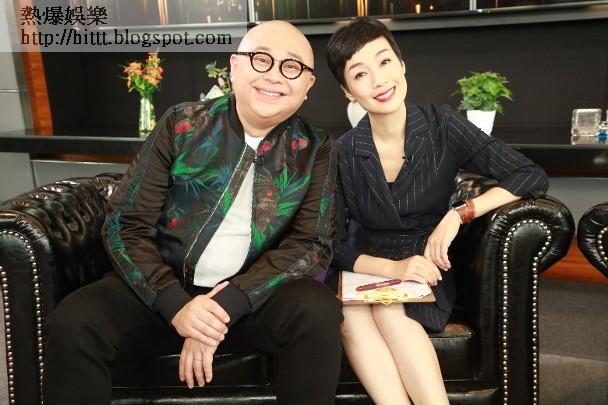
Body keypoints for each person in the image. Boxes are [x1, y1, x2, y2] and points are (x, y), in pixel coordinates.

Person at [43, 20, 342, 405]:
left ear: (307, 85)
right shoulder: (182, 124)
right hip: (159, 290)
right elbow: (125, 224)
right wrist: (176, 305)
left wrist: (226, 303)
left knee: (317, 312)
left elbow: (311, 243)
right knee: (75, 321)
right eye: (261, 59)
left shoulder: (315, 147)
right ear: (235, 65)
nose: (274, 75)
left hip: (250, 298)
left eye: (291, 66)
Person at [326, 17, 548, 405]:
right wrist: (391, 269)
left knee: (391, 315)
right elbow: (332, 242)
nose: (379, 81)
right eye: (360, 74)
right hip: (367, 264)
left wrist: (459, 213)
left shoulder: (441, 125)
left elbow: (530, 174)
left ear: (401, 64)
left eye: (384, 61)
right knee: (351, 320)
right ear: (348, 91)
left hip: (427, 260)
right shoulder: (342, 151)